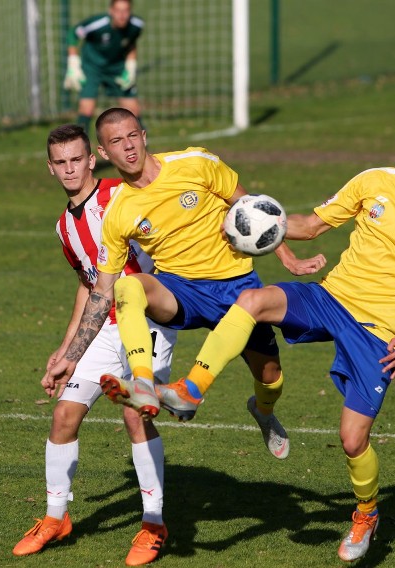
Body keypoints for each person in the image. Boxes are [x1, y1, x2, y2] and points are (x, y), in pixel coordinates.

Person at [163, 114, 395, 562]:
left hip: (381, 331)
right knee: (252, 300)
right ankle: (191, 388)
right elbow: (310, 226)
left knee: (351, 440)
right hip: (333, 297)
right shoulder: (371, 182)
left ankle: (366, 514)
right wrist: (257, 221)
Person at [45, 107, 326, 461]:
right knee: (127, 287)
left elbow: (250, 209)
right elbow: (99, 290)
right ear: (103, 153)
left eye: (133, 136)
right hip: (181, 289)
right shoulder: (119, 213)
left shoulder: (195, 163)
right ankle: (145, 384)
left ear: (144, 136)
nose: (128, 147)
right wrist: (71, 355)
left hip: (236, 286)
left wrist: (289, 259)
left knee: (271, 377)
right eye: (116, 141)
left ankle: (264, 411)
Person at [13, 124, 176, 566]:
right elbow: (89, 287)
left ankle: (154, 523)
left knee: (134, 413)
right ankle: (55, 517)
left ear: (91, 160)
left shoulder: (120, 198)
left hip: (147, 319)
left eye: (75, 160)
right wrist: (66, 352)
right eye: (59, 162)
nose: (69, 169)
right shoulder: (65, 226)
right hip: (103, 326)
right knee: (65, 414)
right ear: (50, 168)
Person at [63, 0, 144, 135]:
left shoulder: (136, 25)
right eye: (118, 11)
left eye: (126, 11)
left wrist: (130, 66)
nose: (122, 15)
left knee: (133, 109)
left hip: (117, 68)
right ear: (111, 11)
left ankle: (144, 150)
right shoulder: (97, 24)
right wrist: (73, 64)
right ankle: (81, 148)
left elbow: (131, 43)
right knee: (86, 108)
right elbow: (73, 34)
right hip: (92, 67)